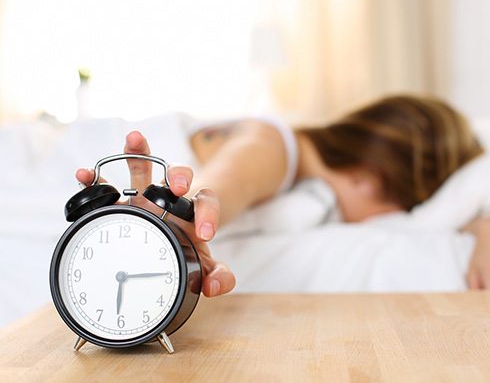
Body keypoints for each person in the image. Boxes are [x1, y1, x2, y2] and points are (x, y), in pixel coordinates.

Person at [76, 94, 490, 293]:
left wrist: (481, 225)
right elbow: (223, 182)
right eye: (407, 206)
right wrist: (180, 213)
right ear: (372, 176)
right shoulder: (275, 143)